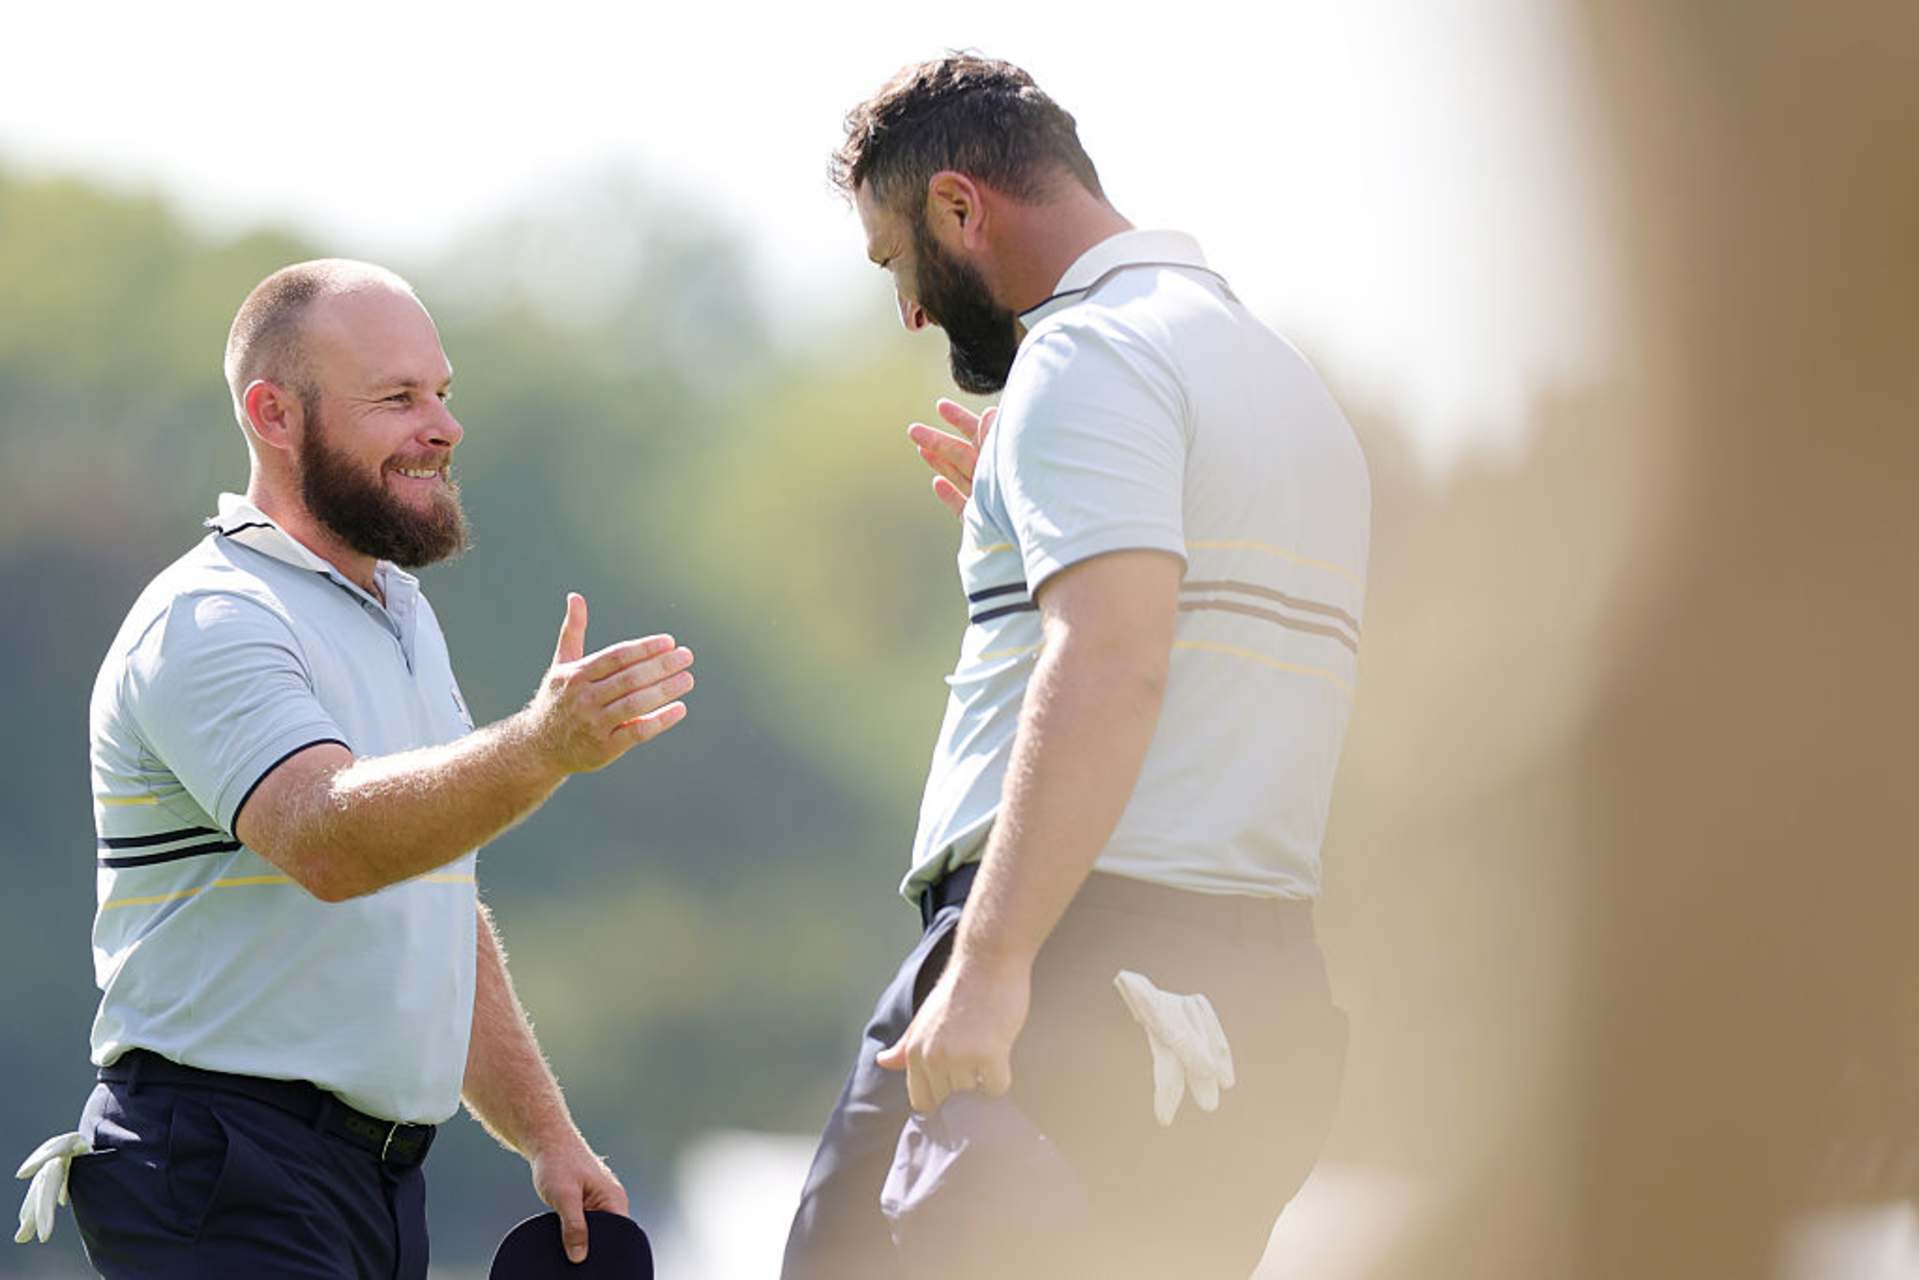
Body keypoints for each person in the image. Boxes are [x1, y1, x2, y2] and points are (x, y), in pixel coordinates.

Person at [782, 56, 1370, 1278]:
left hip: (1072, 957)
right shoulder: (1276, 377)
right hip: (1258, 987)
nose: (907, 311)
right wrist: (1028, 498)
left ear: (959, 209)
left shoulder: (1087, 355)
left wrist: (991, 969)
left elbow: (1111, 653)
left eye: (898, 262)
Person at [33, 260, 694, 1277]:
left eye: (442, 392)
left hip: (372, 1182)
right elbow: (330, 840)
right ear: (273, 414)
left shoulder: (398, 612)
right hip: (221, 1164)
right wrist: (539, 745)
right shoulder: (210, 618)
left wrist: (547, 1133)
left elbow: (430, 901)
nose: (442, 425)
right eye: (396, 398)